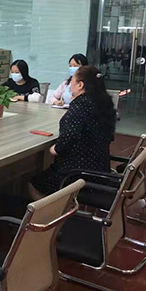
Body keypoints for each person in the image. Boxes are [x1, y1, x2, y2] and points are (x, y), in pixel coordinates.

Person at [30, 66, 116, 196]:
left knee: (31, 182)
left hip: (77, 174)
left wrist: (56, 149)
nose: (70, 86)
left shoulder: (80, 105)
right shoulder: (103, 103)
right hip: (100, 169)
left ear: (80, 85)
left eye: (72, 82)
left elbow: (69, 136)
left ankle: (53, 209)